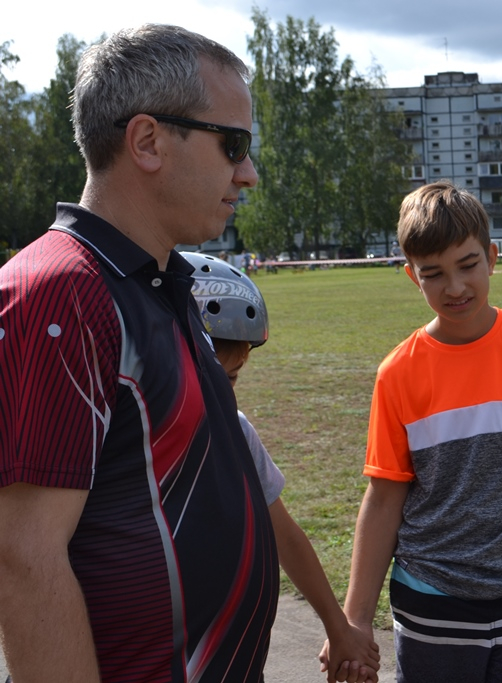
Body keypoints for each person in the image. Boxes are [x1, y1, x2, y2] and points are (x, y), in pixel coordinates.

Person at [0, 25, 278, 682]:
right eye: (232, 143)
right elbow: (23, 557)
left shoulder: (161, 281)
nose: (249, 172)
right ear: (148, 141)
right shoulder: (60, 291)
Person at [338, 181, 502, 683]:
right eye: (433, 273)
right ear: (412, 276)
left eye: (467, 265)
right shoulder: (398, 373)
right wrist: (355, 619)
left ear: (492, 257)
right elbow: (385, 496)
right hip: (432, 595)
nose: (454, 287)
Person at [184, 252, 379, 683]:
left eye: (232, 379)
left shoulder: (236, 433)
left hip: (229, 660)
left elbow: (285, 535)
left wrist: (338, 626)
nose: (224, 394)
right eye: (212, 375)